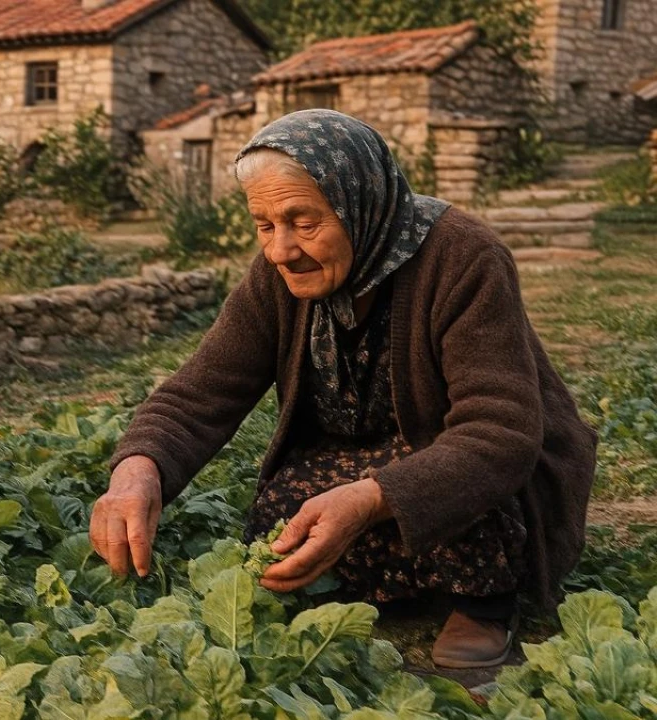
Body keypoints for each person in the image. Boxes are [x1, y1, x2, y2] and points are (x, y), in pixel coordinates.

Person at [89, 110, 597, 669]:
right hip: (356, 458)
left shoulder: (463, 258)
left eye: (303, 223)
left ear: (359, 203)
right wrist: (138, 470)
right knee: (282, 513)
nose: (281, 249)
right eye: (264, 225)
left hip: (471, 456)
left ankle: (483, 605)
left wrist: (370, 497)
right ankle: (387, 578)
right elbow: (200, 393)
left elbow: (500, 433)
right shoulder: (278, 276)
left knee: (460, 489)